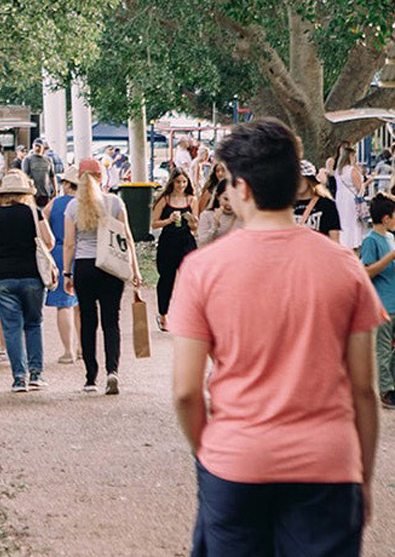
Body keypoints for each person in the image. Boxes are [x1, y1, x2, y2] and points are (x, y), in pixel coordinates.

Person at [171, 118, 384, 556]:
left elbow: (186, 391)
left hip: (236, 461)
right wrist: (362, 475)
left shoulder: (203, 270)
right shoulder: (344, 267)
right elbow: (364, 389)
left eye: (228, 184)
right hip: (328, 466)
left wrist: (209, 452)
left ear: (243, 188)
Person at [63, 160, 141, 394]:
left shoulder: (72, 207)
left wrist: (68, 273)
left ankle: (90, 377)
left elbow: (69, 243)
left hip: (85, 266)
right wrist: (134, 270)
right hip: (111, 266)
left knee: (88, 321)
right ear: (101, 176)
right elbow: (126, 238)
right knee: (111, 321)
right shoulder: (115, 202)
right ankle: (112, 371)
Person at [0, 171, 55, 392]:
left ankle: (19, 378)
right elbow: (50, 242)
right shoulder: (34, 213)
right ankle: (36, 374)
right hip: (32, 275)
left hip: (3, 275)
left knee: (12, 328)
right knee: (33, 324)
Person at [359, 192, 395, 411]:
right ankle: (386, 390)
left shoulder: (391, 238)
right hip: (383, 304)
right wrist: (390, 258)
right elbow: (366, 271)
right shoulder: (371, 241)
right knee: (383, 348)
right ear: (386, 218)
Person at [150, 170, 198, 331]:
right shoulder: (165, 200)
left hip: (186, 242)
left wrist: (193, 221)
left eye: (184, 182)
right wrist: (169, 220)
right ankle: (163, 314)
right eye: (178, 182)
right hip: (168, 242)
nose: (181, 185)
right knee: (166, 279)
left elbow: (195, 228)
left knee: (189, 279)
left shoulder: (192, 200)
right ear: (172, 182)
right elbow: (154, 224)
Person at [44, 167, 80, 364]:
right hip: (83, 254)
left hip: (59, 253)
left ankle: (68, 351)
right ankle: (83, 347)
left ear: (66, 184)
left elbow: (43, 223)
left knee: (63, 305)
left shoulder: (55, 203)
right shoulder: (86, 205)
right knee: (82, 305)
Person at [295, 160, 342, 241]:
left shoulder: (327, 204)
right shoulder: (285, 206)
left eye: (301, 179)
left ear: (309, 179)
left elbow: (334, 239)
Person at [335, 146, 366, 249]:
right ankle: (353, 242)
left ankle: (343, 241)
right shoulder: (352, 170)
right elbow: (359, 188)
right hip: (351, 198)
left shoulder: (338, 171)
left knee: (343, 220)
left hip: (340, 197)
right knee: (353, 221)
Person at [197, 180, 242, 246]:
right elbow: (202, 244)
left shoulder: (241, 217)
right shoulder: (206, 215)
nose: (229, 204)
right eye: (226, 199)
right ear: (217, 196)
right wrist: (215, 226)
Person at [22, 140, 56, 208]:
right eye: (36, 146)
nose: (37, 148)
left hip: (45, 193)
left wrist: (55, 190)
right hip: (32, 193)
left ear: (43, 147)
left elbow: (52, 176)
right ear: (33, 147)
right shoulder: (28, 159)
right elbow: (24, 176)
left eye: (39, 146)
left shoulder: (48, 160)